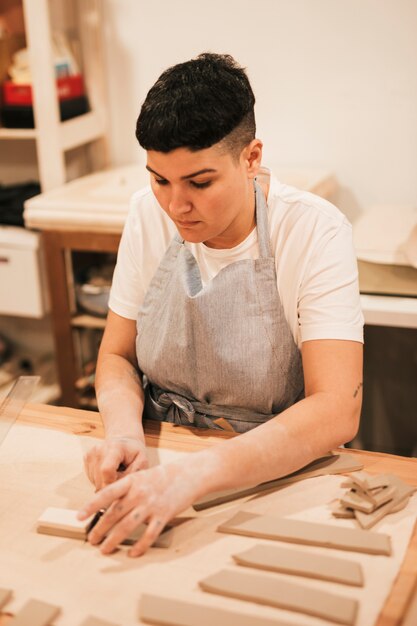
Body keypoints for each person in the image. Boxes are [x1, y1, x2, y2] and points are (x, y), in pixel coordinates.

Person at [78, 52, 364, 557]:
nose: (175, 206)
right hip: (163, 457)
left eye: (200, 183)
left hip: (275, 473)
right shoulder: (148, 214)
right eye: (160, 179)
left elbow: (337, 409)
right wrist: (124, 433)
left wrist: (193, 477)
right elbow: (116, 357)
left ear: (251, 157)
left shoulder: (314, 230)